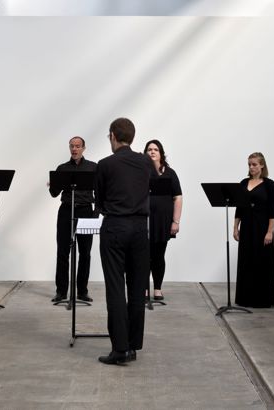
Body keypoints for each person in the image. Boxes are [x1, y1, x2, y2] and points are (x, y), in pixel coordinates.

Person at [95, 118, 155, 365]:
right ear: (131, 136)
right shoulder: (146, 162)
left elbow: (99, 202)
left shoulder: (105, 164)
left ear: (112, 136)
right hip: (141, 229)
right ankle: (132, 346)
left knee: (116, 288)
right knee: (137, 288)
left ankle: (119, 349)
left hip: (115, 228)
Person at [49, 136, 97, 303]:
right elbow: (54, 194)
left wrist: (95, 214)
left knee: (85, 253)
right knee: (62, 252)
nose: (74, 149)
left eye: (77, 146)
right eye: (72, 146)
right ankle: (61, 291)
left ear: (84, 148)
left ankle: (82, 291)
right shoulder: (62, 168)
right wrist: (53, 184)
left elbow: (100, 192)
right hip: (66, 211)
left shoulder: (93, 167)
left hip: (85, 211)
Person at [232, 152, 274, 308]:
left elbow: (273, 210)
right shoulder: (243, 183)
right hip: (246, 227)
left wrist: (270, 231)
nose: (251, 167)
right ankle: (245, 298)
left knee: (261, 261)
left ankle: (262, 299)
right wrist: (235, 227)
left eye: (254, 164)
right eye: (249, 164)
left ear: (262, 165)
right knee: (246, 261)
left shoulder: (269, 184)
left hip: (262, 227)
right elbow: (239, 208)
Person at [144, 139, 183, 300]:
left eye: (156, 149)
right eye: (149, 149)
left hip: (163, 221)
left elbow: (178, 198)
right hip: (144, 221)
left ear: (161, 153)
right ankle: (144, 288)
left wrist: (176, 221)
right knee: (144, 256)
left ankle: (158, 289)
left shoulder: (170, 173)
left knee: (159, 255)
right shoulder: (142, 172)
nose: (152, 152)